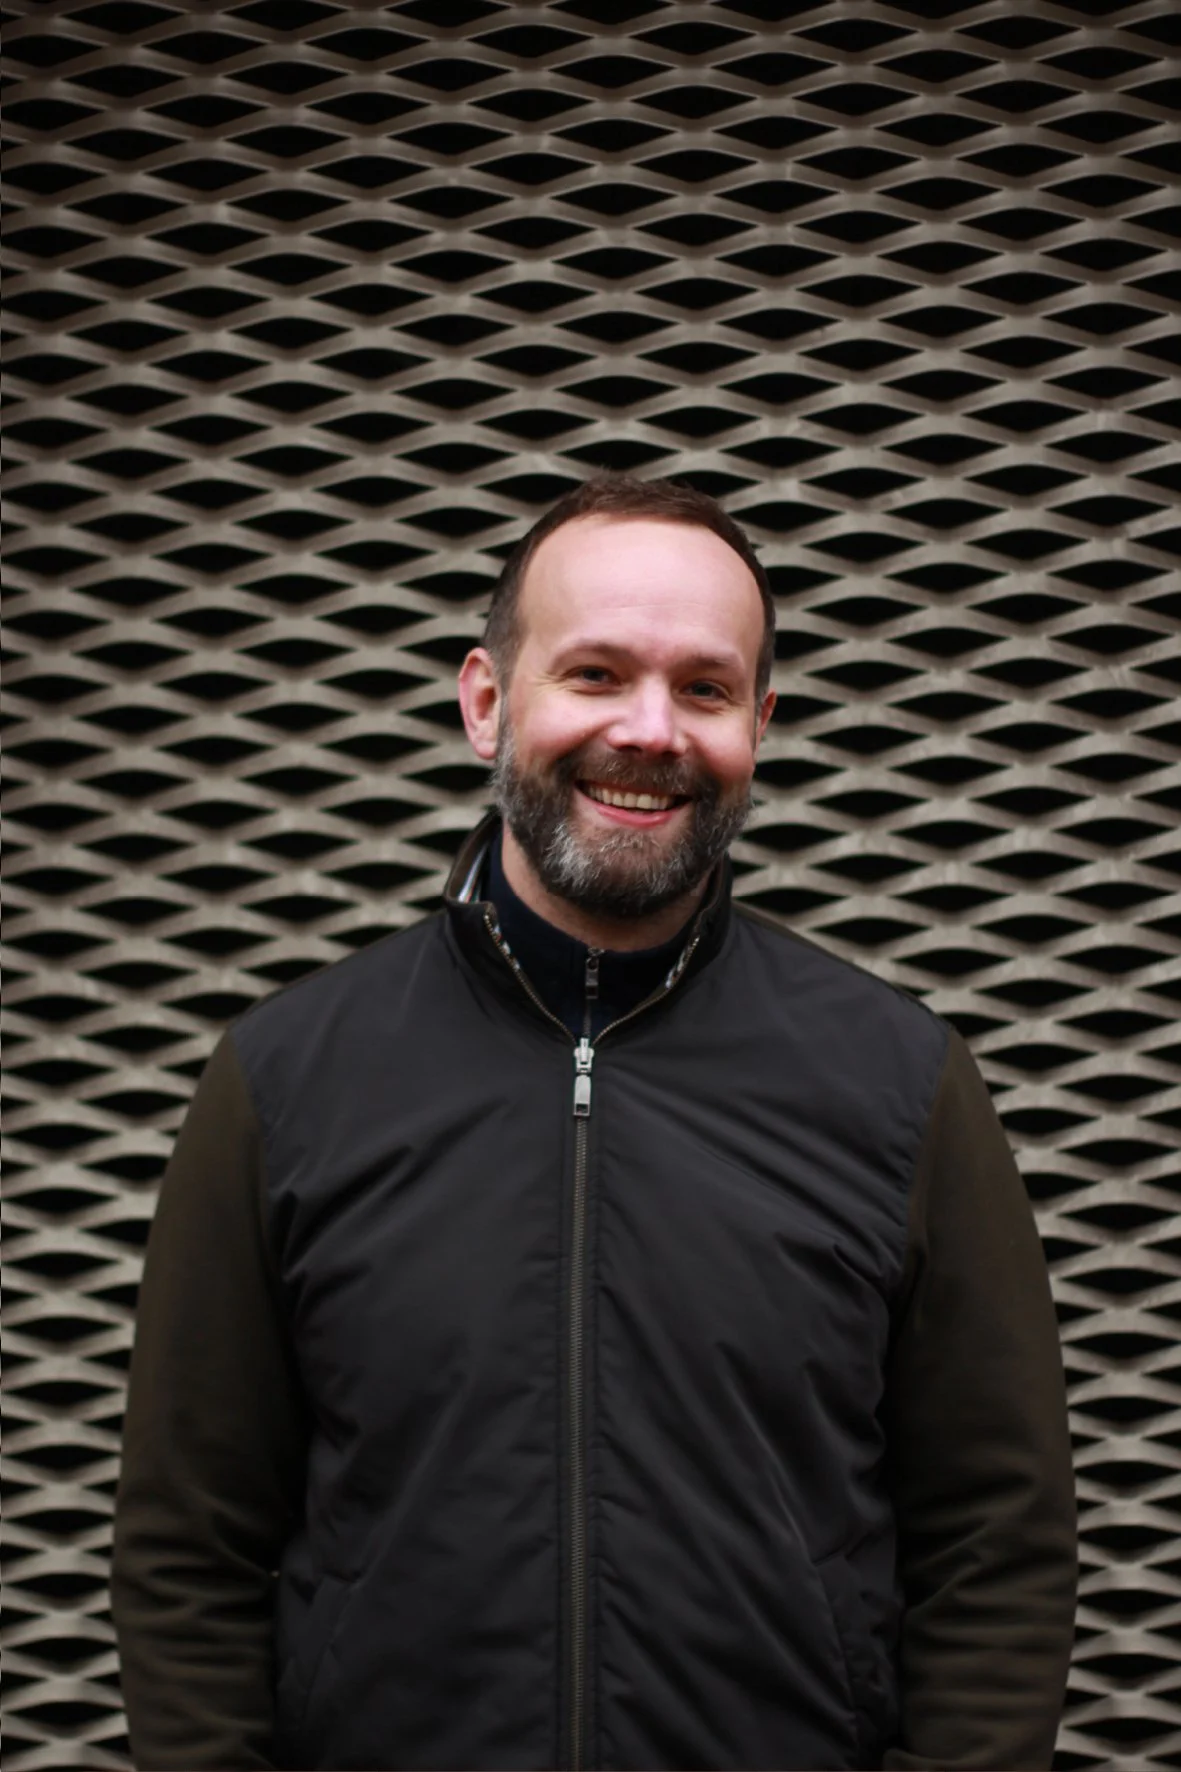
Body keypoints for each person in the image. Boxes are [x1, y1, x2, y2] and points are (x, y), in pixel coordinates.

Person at [112, 473, 1077, 1771]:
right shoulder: (284, 1082)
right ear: (485, 701)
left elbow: (997, 1540)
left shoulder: (903, 1085)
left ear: (762, 724)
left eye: (706, 689)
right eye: (596, 673)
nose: (651, 729)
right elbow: (190, 1544)